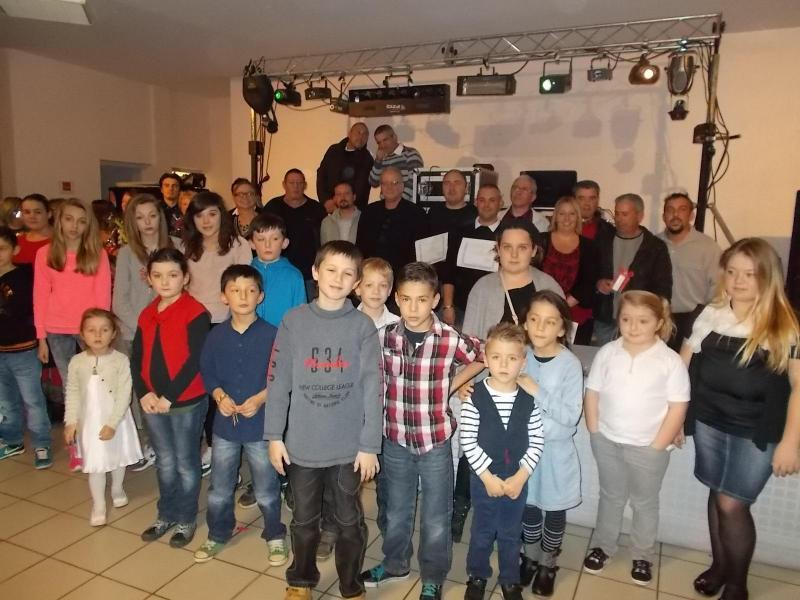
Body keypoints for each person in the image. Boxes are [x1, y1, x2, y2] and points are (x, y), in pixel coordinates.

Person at [680, 238, 800, 600]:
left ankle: (737, 583)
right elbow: (681, 367)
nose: (738, 280)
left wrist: (791, 442)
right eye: (732, 272)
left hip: (756, 430)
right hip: (709, 421)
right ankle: (719, 566)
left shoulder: (784, 324)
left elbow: (799, 386)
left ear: (768, 276)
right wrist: (675, 419)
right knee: (717, 492)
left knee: (732, 503)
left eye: (750, 273)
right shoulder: (710, 313)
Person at [265, 241, 382, 600]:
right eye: (330, 269)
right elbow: (278, 381)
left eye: (348, 273)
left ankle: (350, 584)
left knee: (349, 521)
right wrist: (274, 436)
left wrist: (369, 445)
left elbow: (373, 389)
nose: (337, 278)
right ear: (315, 272)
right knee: (303, 520)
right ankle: (301, 579)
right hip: (302, 445)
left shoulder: (362, 326)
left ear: (356, 283)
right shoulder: (293, 321)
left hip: (349, 449)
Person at [361, 262, 485, 600]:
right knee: (396, 509)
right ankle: (395, 563)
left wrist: (452, 383)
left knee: (436, 515)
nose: (413, 308)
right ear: (396, 299)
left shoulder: (450, 338)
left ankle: (433, 575)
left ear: (435, 300)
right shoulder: (384, 337)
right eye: (406, 299)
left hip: (435, 442)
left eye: (421, 300)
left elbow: (483, 354)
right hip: (395, 439)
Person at [583, 291, 689, 585]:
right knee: (611, 497)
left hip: (648, 448)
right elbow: (592, 392)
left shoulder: (670, 361)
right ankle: (603, 546)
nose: (633, 326)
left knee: (644, 503)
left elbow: (678, 406)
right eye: (626, 319)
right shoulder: (608, 353)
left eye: (643, 321)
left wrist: (658, 446)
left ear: (658, 323)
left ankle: (642, 554)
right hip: (607, 441)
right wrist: (594, 430)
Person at [195, 265, 287, 566]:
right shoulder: (216, 335)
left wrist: (260, 399)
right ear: (224, 297)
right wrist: (219, 396)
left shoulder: (273, 335)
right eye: (235, 290)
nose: (243, 296)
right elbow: (207, 371)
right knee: (220, 486)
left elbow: (281, 376)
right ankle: (218, 532)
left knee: (266, 486)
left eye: (250, 290)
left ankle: (274, 533)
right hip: (225, 426)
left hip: (261, 426)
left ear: (260, 296)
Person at [460, 322, 544, 600]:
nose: (504, 364)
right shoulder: (475, 396)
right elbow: (468, 440)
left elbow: (537, 439)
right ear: (486, 358)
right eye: (496, 357)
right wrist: (487, 477)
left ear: (523, 362)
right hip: (483, 478)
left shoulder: (529, 399)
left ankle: (510, 578)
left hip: (517, 477)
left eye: (512, 358)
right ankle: (477, 575)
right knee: (482, 529)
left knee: (510, 531)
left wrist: (521, 476)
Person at [132, 248, 210, 548]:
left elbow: (196, 360)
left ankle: (186, 517)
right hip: (153, 402)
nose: (165, 281)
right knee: (164, 461)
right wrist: (144, 393)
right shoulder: (147, 313)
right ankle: (166, 513)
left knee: (186, 462)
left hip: (185, 402)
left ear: (185, 278)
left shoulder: (195, 312)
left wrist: (169, 397)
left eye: (173, 275)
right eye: (158, 275)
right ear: (149, 279)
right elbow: (136, 357)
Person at [517, 291, 584, 596]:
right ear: (525, 323)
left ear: (562, 328)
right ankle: (530, 557)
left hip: (555, 453)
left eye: (550, 322)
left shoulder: (569, 364)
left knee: (554, 509)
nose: (540, 327)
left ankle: (548, 564)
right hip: (523, 450)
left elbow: (570, 417)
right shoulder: (520, 355)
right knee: (529, 505)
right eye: (534, 319)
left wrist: (537, 391)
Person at [238, 212, 305, 511]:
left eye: (274, 238)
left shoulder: (293, 276)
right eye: (261, 239)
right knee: (255, 422)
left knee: (283, 420)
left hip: (281, 355)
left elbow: (299, 318)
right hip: (250, 355)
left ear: (284, 242)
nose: (267, 244)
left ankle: (286, 478)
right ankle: (260, 478)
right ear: (251, 242)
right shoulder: (244, 273)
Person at [113, 193, 176, 472]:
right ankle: (152, 443)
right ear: (132, 222)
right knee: (145, 392)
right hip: (135, 333)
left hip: (171, 332)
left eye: (152, 215)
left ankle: (175, 441)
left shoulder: (177, 246)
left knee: (171, 387)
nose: (147, 222)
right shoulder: (127, 254)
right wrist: (145, 327)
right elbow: (119, 301)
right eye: (140, 217)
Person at [63, 308, 142, 526]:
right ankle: (98, 504)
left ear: (114, 333)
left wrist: (113, 423)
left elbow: (125, 394)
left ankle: (117, 488)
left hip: (116, 419)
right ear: (82, 334)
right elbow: (72, 391)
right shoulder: (77, 361)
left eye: (104, 330)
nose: (98, 335)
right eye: (91, 330)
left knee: (117, 457)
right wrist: (71, 421)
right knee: (95, 462)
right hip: (90, 422)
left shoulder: (120, 360)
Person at [34, 198, 112, 411]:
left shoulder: (98, 254)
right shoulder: (44, 254)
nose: (74, 226)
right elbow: (40, 296)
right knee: (71, 384)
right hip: (56, 328)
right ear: (59, 220)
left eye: (81, 221)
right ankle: (76, 426)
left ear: (88, 225)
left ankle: (99, 423)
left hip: (90, 328)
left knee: (96, 379)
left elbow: (103, 298)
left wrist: (102, 332)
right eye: (69, 219)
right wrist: (41, 337)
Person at [0, 227, 52, 466]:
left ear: (15, 249)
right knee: (5, 400)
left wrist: (41, 341)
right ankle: (12, 439)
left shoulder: (24, 276)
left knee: (32, 400)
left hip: (24, 349)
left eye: (2, 248)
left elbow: (34, 308)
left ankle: (42, 443)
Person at [463, 220, 564, 340]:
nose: (514, 255)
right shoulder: (482, 288)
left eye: (522, 248)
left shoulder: (550, 287)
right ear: (498, 250)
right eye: (507, 247)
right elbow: (468, 342)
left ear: (533, 251)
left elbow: (561, 339)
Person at [593, 193, 672, 346]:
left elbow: (663, 288)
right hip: (605, 319)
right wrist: (598, 284)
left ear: (639, 216)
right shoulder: (602, 240)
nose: (619, 219)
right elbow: (589, 273)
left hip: (638, 321)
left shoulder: (655, 247)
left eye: (625, 214)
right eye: (617, 213)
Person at [658, 192, 721, 351]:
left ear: (691, 215)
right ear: (664, 216)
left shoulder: (708, 247)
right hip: (659, 320)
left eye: (682, 209)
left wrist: (705, 317)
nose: (675, 215)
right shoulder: (653, 244)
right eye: (670, 210)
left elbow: (718, 286)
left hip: (693, 321)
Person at [442, 183, 504, 328]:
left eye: (492, 200)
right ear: (476, 202)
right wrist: (448, 307)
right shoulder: (460, 232)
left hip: (496, 311)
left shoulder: (507, 234)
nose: (486, 205)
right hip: (461, 310)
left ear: (500, 203)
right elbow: (449, 272)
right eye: (482, 200)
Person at [540, 196, 600, 345]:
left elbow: (588, 282)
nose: (567, 218)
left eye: (572, 213)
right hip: (541, 310)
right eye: (562, 213)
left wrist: (562, 306)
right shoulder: (540, 241)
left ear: (578, 217)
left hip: (575, 314)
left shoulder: (590, 247)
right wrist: (548, 306)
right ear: (555, 216)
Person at [263, 169, 327, 298]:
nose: (296, 186)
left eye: (299, 183)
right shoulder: (272, 207)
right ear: (284, 184)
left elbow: (324, 239)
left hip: (309, 275)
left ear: (305, 185)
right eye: (292, 183)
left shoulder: (316, 209)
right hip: (278, 271)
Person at [356, 167, 427, 277]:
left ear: (402, 186)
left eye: (394, 182)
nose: (389, 187)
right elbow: (360, 247)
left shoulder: (417, 214)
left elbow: (419, 253)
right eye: (385, 183)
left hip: (404, 276)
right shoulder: (369, 212)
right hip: (370, 274)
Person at [317, 122, 374, 211]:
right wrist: (325, 200)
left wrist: (346, 205)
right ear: (349, 134)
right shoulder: (333, 150)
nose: (361, 137)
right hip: (330, 208)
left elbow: (362, 189)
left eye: (365, 134)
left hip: (354, 211)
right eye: (358, 132)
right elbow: (321, 175)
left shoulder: (367, 159)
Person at [368, 124, 424, 203]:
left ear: (394, 137)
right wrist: (378, 161)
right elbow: (373, 183)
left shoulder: (410, 153)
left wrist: (397, 204)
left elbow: (414, 182)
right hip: (386, 205)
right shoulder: (382, 158)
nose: (382, 145)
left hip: (406, 205)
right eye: (379, 143)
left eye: (385, 140)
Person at [355, 257, 400, 329]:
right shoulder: (346, 323)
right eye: (369, 285)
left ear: (389, 290)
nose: (376, 291)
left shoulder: (398, 325)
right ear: (357, 288)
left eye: (383, 285)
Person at [14, 194, 52, 265]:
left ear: (49, 214)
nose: (32, 216)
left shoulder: (61, 240)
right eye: (27, 212)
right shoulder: (17, 241)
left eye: (38, 212)